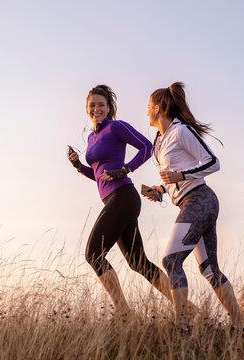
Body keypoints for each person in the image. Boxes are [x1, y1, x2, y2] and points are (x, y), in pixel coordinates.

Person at [144, 82, 244, 338]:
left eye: (148, 107)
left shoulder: (181, 131)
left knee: (171, 260)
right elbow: (173, 176)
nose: (146, 111)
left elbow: (213, 162)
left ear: (158, 108)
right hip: (187, 202)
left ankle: (182, 330)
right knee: (209, 269)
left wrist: (180, 174)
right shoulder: (159, 141)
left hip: (200, 200)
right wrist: (161, 188)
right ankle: (243, 328)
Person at [67, 84, 176, 315]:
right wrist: (78, 165)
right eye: (92, 105)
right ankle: (185, 307)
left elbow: (147, 147)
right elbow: (98, 175)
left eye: (101, 105)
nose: (96, 109)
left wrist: (125, 169)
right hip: (112, 200)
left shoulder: (116, 127)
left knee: (93, 254)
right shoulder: (91, 138)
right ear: (87, 108)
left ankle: (123, 312)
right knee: (138, 263)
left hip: (124, 197)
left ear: (108, 107)